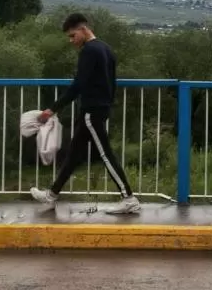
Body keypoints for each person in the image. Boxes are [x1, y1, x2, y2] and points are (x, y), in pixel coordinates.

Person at [30, 13, 140, 215]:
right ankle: (51, 196)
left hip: (92, 111)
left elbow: (78, 85)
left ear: (83, 29)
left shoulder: (89, 51)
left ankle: (129, 198)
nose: (71, 41)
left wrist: (52, 109)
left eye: (72, 36)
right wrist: (107, 105)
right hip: (101, 108)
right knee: (73, 154)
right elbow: (112, 83)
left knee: (106, 154)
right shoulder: (106, 49)